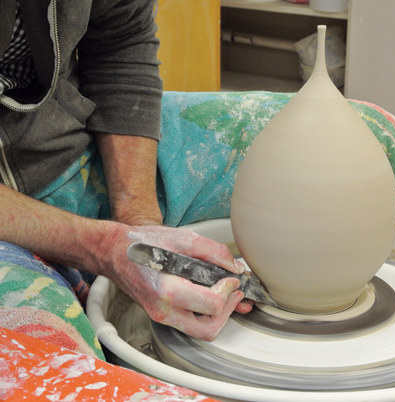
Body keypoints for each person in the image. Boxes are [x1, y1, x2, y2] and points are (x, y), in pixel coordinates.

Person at [0, 0, 252, 353]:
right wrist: (103, 248)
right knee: (51, 366)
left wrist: (140, 228)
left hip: (62, 144)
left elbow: (120, 45)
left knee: (340, 136)